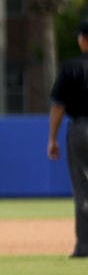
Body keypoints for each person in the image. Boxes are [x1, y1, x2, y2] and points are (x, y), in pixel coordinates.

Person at [47, 18, 88, 259]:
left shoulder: (72, 67)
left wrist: (52, 138)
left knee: (83, 189)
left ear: (82, 39)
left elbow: (59, 106)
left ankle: (85, 246)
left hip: (82, 128)